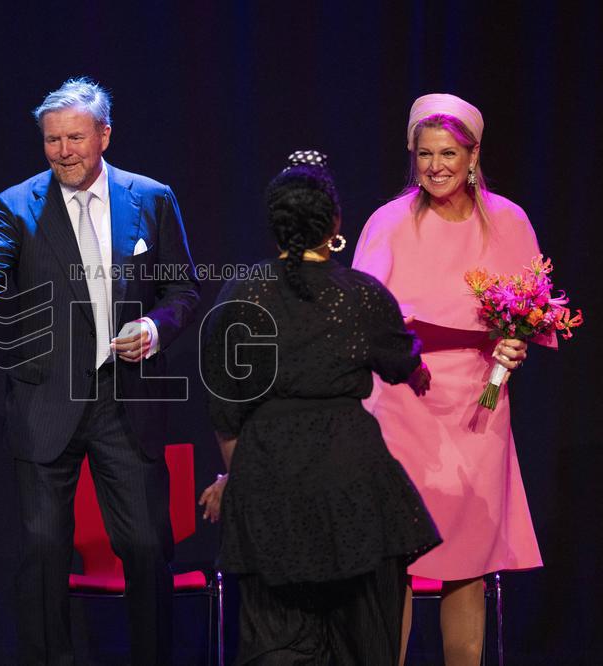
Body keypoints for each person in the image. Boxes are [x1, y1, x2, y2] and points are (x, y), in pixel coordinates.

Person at [0, 77, 200, 665]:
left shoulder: (152, 198)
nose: (63, 151)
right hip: (46, 396)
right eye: (52, 140)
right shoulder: (15, 204)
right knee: (42, 550)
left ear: (104, 135)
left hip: (124, 399)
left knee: (144, 545)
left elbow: (183, 289)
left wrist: (157, 328)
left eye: (75, 137)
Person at [198, 151, 441, 665]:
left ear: (275, 223)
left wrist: (238, 478)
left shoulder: (242, 293)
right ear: (334, 221)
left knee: (276, 636)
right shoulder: (362, 296)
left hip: (269, 475)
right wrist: (415, 367)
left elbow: (225, 409)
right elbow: (402, 359)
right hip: (351, 474)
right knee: (361, 634)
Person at [352, 93, 553, 666]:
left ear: (473, 155)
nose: (436, 166)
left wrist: (515, 344)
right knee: (400, 561)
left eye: (447, 154)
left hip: (477, 410)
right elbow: (362, 317)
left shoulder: (510, 220)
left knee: (467, 563)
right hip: (402, 405)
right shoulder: (388, 222)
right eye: (424, 154)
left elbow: (532, 312)